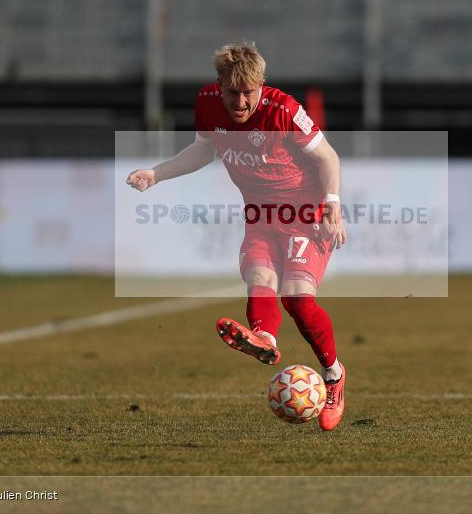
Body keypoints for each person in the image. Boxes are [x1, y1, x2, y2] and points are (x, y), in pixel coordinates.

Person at [126, 42, 349, 431]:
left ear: (262, 85)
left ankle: (333, 377)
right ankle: (264, 338)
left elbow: (327, 157)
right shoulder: (208, 103)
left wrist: (332, 203)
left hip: (305, 215)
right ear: (220, 85)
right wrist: (156, 173)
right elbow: (201, 152)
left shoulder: (284, 110)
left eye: (249, 92)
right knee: (259, 278)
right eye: (233, 92)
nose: (241, 101)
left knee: (297, 298)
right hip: (260, 215)